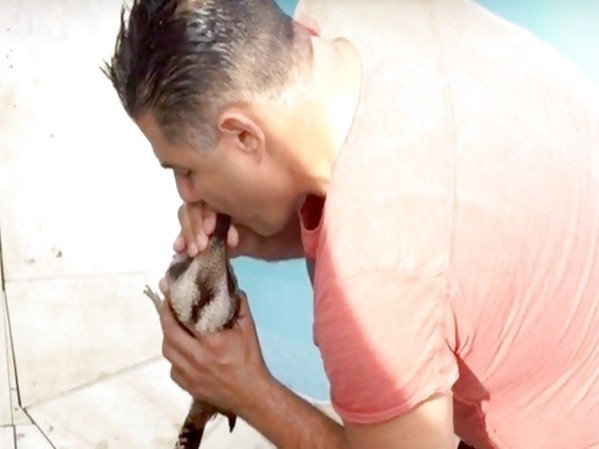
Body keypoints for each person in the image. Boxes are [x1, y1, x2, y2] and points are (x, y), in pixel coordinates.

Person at [102, 0, 599, 447]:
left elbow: (397, 248)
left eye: (186, 170)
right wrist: (262, 235)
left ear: (244, 136)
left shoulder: (377, 282)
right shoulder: (346, 16)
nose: (186, 194)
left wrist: (248, 391)